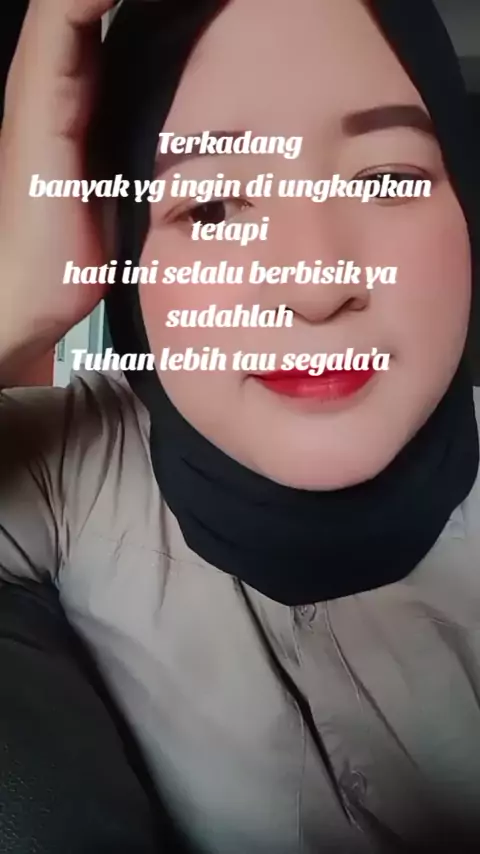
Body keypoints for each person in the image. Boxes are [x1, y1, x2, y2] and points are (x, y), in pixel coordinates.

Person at [1, 0, 480, 851]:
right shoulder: (68, 469)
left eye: (388, 181)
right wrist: (15, 302)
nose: (315, 286)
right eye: (214, 207)